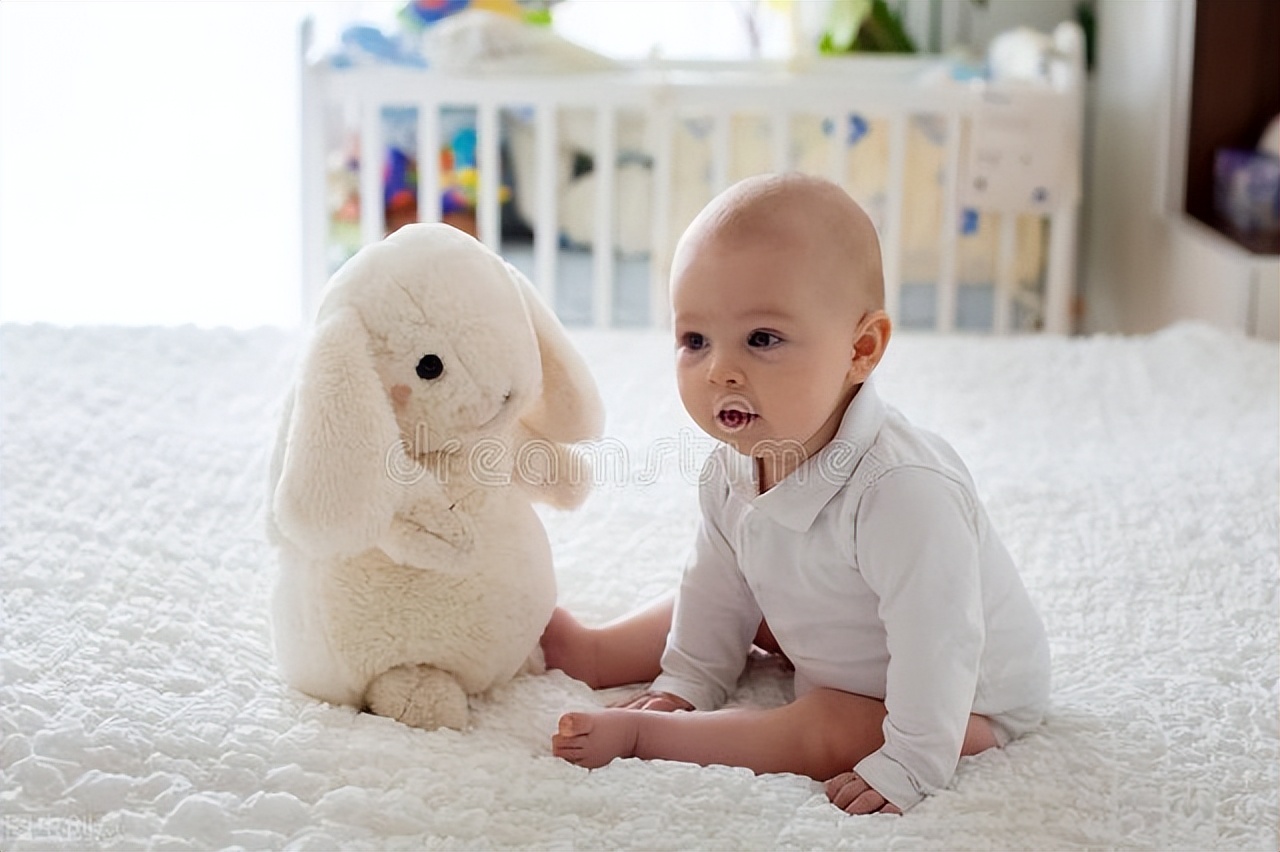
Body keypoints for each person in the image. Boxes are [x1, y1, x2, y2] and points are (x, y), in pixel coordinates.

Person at [541, 172, 1050, 815]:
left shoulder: (902, 493)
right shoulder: (735, 464)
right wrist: (687, 680)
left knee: (827, 723)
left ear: (861, 349)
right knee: (737, 590)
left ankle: (653, 735)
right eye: (695, 340)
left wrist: (914, 760)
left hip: (965, 696)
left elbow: (941, 641)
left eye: (762, 339)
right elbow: (716, 584)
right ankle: (594, 649)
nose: (721, 369)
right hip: (837, 621)